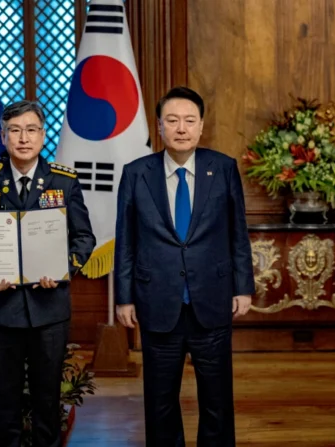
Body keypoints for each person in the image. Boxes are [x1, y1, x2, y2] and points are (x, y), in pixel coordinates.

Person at [114, 86, 255, 446]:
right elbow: (126, 239)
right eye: (172, 121)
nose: (181, 128)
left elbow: (237, 232)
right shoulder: (136, 173)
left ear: (201, 126)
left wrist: (243, 286)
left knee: (217, 400)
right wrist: (124, 297)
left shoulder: (222, 168)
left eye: (189, 121)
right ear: (159, 126)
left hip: (212, 297)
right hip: (156, 300)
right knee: (160, 401)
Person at [0, 100, 96, 447]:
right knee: (5, 400)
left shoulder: (63, 182)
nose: (23, 138)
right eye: (15, 130)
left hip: (49, 311)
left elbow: (84, 238)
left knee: (48, 401)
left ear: (43, 135)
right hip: (2, 312)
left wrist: (62, 270)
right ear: (3, 136)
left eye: (31, 130)